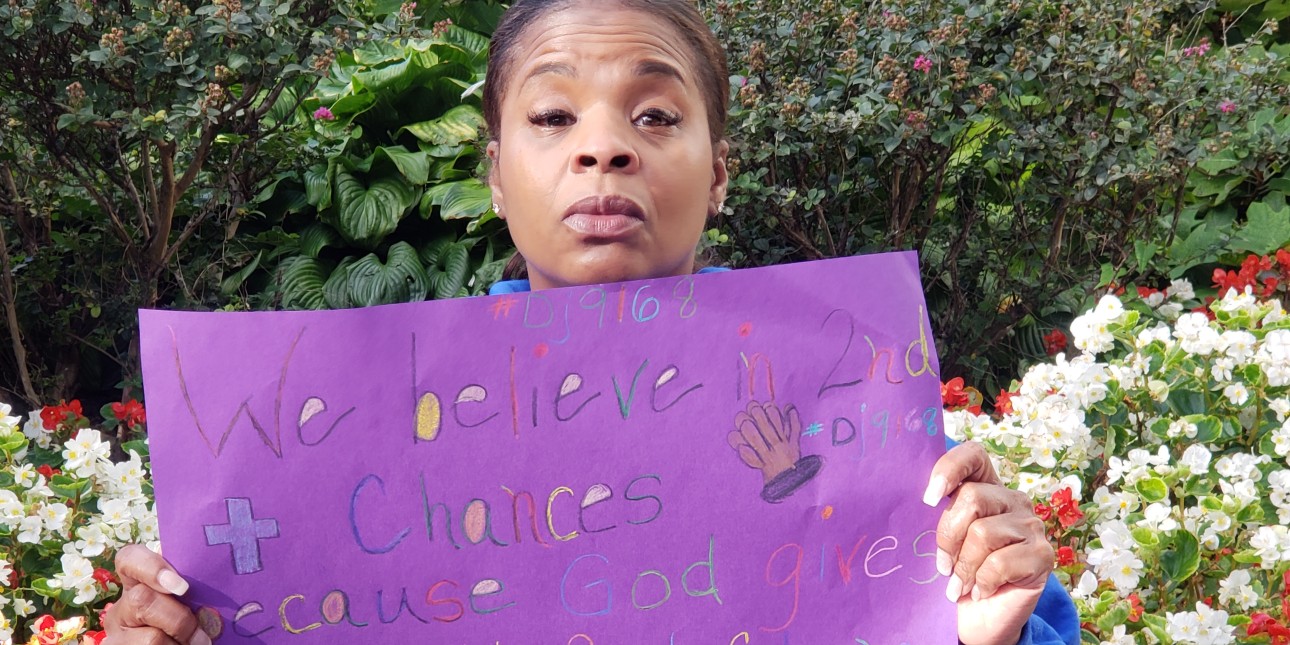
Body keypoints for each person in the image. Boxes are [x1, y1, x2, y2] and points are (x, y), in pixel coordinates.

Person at [106, 1, 1079, 643]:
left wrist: (991, 629)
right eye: (553, 117)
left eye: (655, 115)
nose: (605, 148)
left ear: (719, 171)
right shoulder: (356, 442)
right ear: (493, 175)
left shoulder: (864, 415)